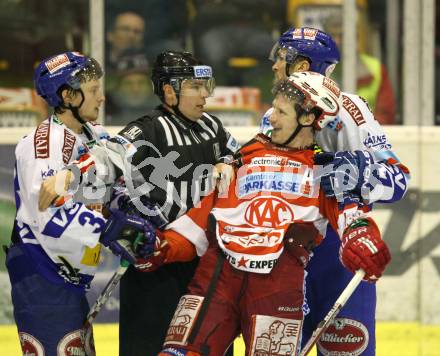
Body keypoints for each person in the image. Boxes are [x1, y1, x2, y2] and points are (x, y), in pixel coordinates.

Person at [132, 71, 391, 355]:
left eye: (281, 111)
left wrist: (363, 238)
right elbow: (200, 221)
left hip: (277, 287)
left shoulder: (326, 171)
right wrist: (162, 246)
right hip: (216, 279)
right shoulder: (244, 156)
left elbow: (352, 219)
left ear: (308, 118)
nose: (272, 117)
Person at [37, 50, 240, 355]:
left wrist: (226, 160)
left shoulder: (211, 125)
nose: (204, 95)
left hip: (206, 264)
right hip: (156, 265)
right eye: (195, 88)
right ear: (169, 91)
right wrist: (70, 176)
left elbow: (235, 151)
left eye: (205, 86)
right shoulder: (148, 129)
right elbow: (111, 155)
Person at [260, 27, 410, 356]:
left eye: (281, 58)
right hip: (282, 254)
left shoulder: (349, 110)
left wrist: (359, 172)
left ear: (301, 66)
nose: (273, 65)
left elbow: (397, 180)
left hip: (339, 253)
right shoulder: (272, 114)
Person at [5, 52, 154, 356]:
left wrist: (124, 208)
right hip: (42, 275)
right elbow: (48, 218)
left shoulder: (93, 135)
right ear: (69, 95)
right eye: (94, 90)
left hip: (67, 277)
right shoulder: (44, 145)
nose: (102, 97)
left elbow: (121, 176)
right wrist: (113, 228)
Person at [105, 50, 158, 125]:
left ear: (150, 86)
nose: (135, 89)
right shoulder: (104, 109)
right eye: (128, 83)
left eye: (141, 83)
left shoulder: (162, 110)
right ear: (118, 88)